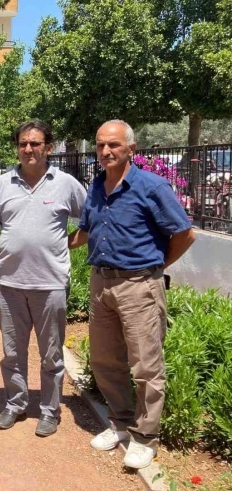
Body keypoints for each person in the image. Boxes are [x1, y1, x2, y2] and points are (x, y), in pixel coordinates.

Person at [73, 120, 195, 469]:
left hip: (139, 285)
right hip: (101, 284)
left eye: (113, 145)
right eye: (100, 145)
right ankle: (120, 422)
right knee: (105, 360)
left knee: (146, 366)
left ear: (131, 149)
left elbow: (184, 234)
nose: (106, 151)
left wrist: (156, 267)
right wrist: (50, 245)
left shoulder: (151, 186)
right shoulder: (96, 186)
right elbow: (86, 231)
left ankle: (145, 437)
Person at [0, 120, 88, 437]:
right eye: (23, 143)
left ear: (49, 148)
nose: (28, 149)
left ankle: (49, 411)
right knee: (12, 352)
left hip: (50, 284)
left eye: (35, 143)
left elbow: (92, 221)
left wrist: (65, 243)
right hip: (8, 285)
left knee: (51, 354)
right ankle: (15, 404)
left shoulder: (66, 184)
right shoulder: (3, 184)